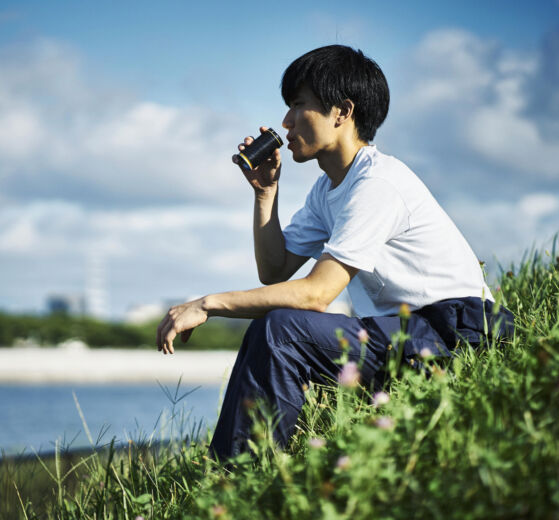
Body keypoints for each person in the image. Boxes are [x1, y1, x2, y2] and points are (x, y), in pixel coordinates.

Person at [155, 45, 514, 461]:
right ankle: (238, 471)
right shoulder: (327, 191)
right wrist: (266, 193)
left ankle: (238, 476)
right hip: (402, 335)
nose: (286, 122)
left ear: (342, 112)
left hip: (457, 335)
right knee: (278, 328)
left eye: (299, 105)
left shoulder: (377, 183)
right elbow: (274, 270)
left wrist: (208, 304)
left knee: (281, 330)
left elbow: (315, 295)